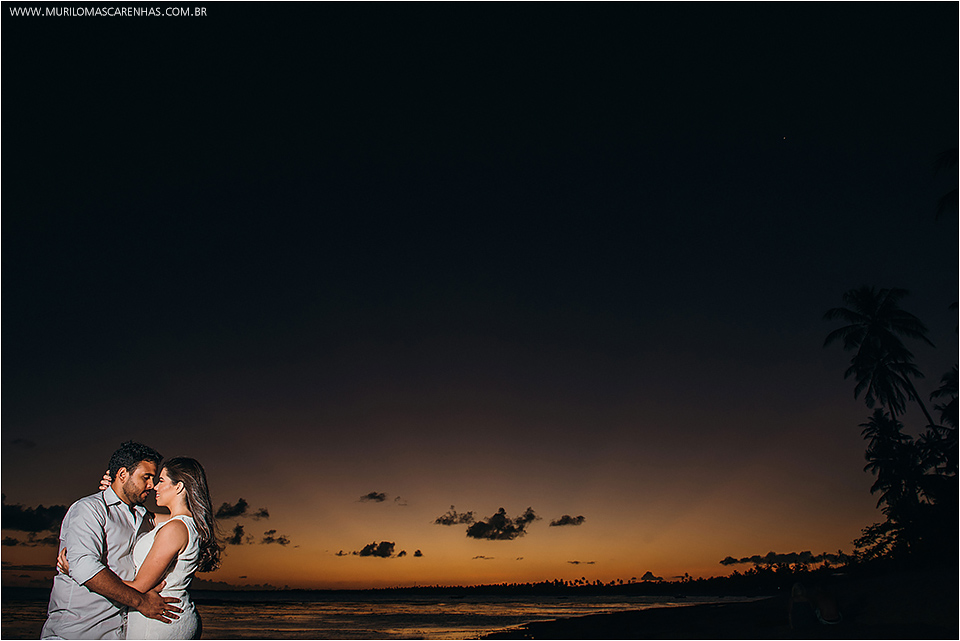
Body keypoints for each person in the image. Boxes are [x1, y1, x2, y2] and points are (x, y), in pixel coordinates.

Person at [60, 457, 222, 640]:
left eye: (161, 480)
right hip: (170, 615)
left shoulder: (174, 528)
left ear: (179, 486)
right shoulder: (180, 523)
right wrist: (116, 490)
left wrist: (81, 573)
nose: (154, 487)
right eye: (151, 479)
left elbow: (139, 586)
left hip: (159, 619)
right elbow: (141, 516)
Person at [42, 441, 182, 640]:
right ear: (123, 474)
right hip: (78, 632)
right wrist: (141, 602)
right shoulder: (89, 509)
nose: (152, 485)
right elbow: (85, 568)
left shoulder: (144, 517)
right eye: (147, 477)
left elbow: (187, 520)